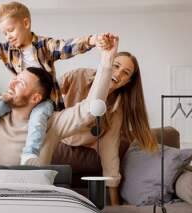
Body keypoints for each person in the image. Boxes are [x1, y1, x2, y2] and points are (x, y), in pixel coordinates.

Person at [0, 1, 112, 165]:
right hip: (20, 101)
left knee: (38, 117)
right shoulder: (8, 50)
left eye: (11, 30)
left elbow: (67, 46)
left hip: (44, 103)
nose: (8, 36)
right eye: (4, 33)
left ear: (25, 23)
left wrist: (92, 40)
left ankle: (29, 154)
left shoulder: (44, 46)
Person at [59, 52, 157, 204]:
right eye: (116, 66)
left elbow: (110, 150)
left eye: (125, 73)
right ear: (105, 64)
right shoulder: (78, 76)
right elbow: (46, 93)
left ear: (127, 82)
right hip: (58, 136)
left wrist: (115, 202)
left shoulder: (116, 109)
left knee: (114, 151)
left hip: (88, 144)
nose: (118, 73)